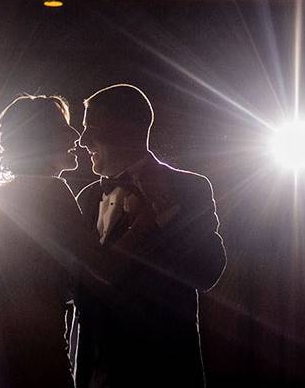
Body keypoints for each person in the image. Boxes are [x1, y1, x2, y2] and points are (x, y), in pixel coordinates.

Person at [71, 83, 227, 388]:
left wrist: (166, 208)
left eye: (91, 127)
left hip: (164, 370)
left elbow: (208, 271)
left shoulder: (189, 188)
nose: (82, 139)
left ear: (128, 129)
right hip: (97, 372)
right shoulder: (87, 198)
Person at [0, 95, 107, 388]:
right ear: (40, 138)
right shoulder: (52, 190)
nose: (75, 136)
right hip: (33, 346)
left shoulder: (2, 192)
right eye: (64, 128)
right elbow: (96, 268)